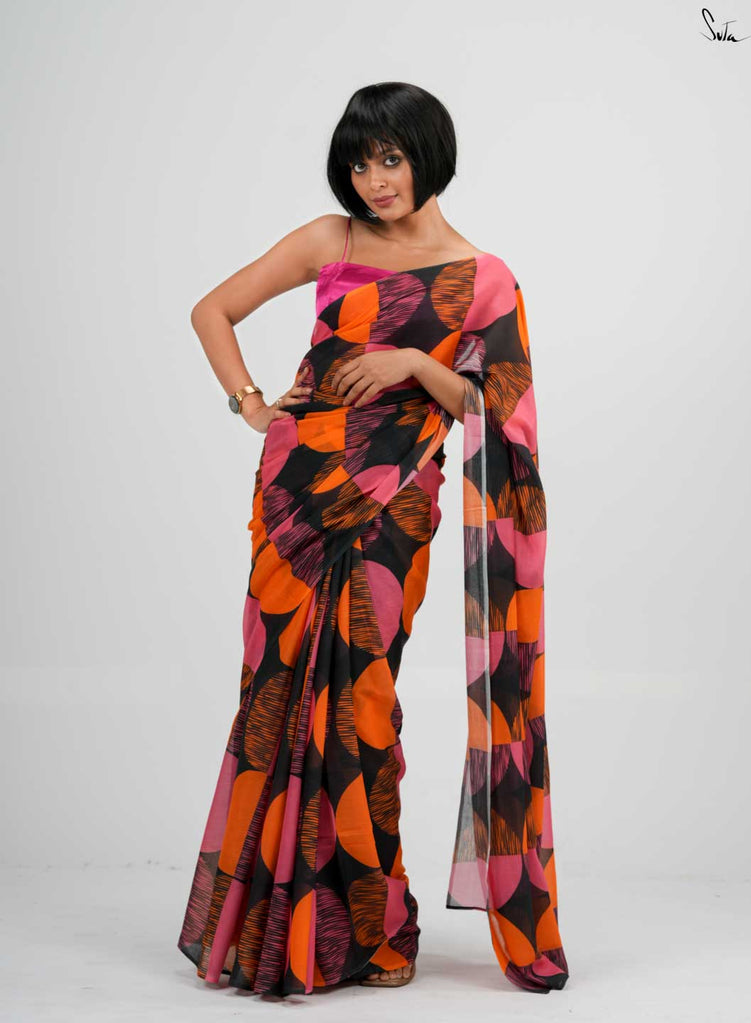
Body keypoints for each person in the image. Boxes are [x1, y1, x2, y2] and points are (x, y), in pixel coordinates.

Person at [177, 81, 569, 998]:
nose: (373, 180)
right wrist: (252, 405)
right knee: (274, 693)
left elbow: (494, 408)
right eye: (358, 163)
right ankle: (265, 929)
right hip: (294, 494)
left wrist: (415, 363)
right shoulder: (332, 239)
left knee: (361, 702)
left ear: (429, 155)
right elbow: (211, 310)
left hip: (394, 498)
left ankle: (370, 925)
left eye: (390, 158)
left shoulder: (484, 277)